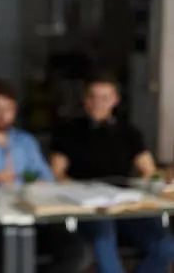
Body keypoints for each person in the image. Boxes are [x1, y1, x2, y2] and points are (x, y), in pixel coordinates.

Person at [0, 80, 91, 273]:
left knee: (77, 252)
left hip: (32, 217)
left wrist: (37, 181)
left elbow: (46, 177)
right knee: (11, 254)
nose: (2, 115)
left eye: (8, 109)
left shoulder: (25, 141)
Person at [50, 71, 174, 273]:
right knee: (103, 238)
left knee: (165, 245)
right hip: (90, 206)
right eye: (93, 97)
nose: (98, 103)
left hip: (125, 202)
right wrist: (75, 190)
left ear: (115, 100)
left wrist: (163, 176)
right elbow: (56, 173)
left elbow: (149, 171)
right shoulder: (67, 131)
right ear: (85, 99)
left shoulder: (129, 132)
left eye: (105, 97)